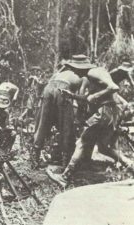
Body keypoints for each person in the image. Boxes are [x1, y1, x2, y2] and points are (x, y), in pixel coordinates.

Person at [47, 58, 134, 188]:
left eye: (75, 70)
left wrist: (96, 96)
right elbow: (87, 98)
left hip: (105, 112)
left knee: (81, 142)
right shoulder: (90, 77)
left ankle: (65, 177)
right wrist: (71, 95)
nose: (75, 74)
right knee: (104, 148)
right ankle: (131, 165)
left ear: (80, 67)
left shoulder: (95, 72)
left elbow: (113, 87)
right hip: (109, 113)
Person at [30, 55, 92, 169]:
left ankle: (35, 157)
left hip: (48, 89)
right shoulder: (84, 76)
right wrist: (81, 115)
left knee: (43, 124)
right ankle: (66, 161)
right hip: (63, 90)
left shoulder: (59, 73)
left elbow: (49, 85)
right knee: (66, 126)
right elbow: (81, 96)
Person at [0, 81, 19, 152]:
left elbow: (6, 125)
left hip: (1, 130)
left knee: (13, 134)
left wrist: (8, 128)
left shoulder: (5, 113)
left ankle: (5, 151)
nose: (1, 109)